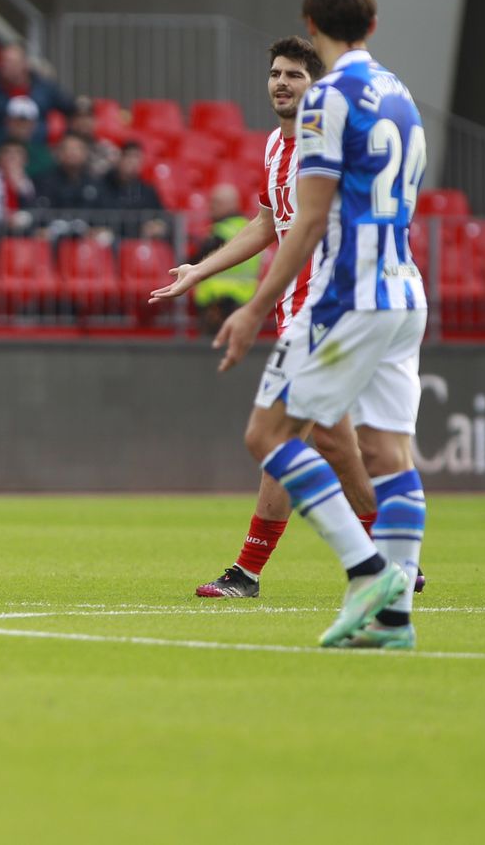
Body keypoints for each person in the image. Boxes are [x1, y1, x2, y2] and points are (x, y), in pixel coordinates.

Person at [204, 0, 428, 650]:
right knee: (387, 451)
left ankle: (368, 572)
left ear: (311, 23)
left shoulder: (329, 98)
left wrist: (254, 308)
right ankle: (393, 621)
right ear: (374, 24)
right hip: (404, 290)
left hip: (347, 295)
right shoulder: (400, 95)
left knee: (268, 437)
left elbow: (307, 221)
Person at [152, 34, 406, 600]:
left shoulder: (333, 146)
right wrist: (201, 270)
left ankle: (378, 559)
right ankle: (271, 569)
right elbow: (268, 224)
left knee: (301, 440)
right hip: (299, 314)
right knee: (298, 442)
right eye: (275, 74)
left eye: (294, 75)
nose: (281, 84)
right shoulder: (274, 147)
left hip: (331, 309)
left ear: (316, 85)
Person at [189, 183, 260, 336]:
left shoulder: (220, 232)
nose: (211, 206)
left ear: (231, 204)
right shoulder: (250, 228)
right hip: (246, 298)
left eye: (216, 202)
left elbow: (195, 261)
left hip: (217, 302)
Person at [0, 43, 72, 154]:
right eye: (2, 61)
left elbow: (72, 111)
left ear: (24, 64)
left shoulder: (45, 88)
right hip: (5, 155)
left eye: (10, 62)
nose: (4, 66)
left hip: (41, 154)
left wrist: (61, 147)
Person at [97, 141, 169, 240]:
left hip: (139, 242)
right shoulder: (103, 186)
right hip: (110, 241)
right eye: (129, 156)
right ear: (120, 158)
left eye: (137, 157)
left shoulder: (147, 191)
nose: (132, 161)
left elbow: (161, 217)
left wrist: (156, 226)